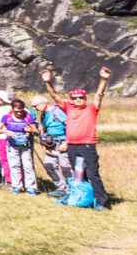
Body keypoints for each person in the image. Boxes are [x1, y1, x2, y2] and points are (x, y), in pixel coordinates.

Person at [43, 65, 111, 210]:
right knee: (80, 175)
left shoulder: (91, 109)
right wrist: (48, 82)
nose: (78, 100)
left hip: (87, 146)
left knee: (93, 174)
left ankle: (101, 202)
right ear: (71, 100)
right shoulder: (68, 108)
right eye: (75, 98)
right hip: (73, 147)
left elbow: (99, 94)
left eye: (81, 97)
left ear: (85, 99)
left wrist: (103, 79)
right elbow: (55, 96)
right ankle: (86, 198)